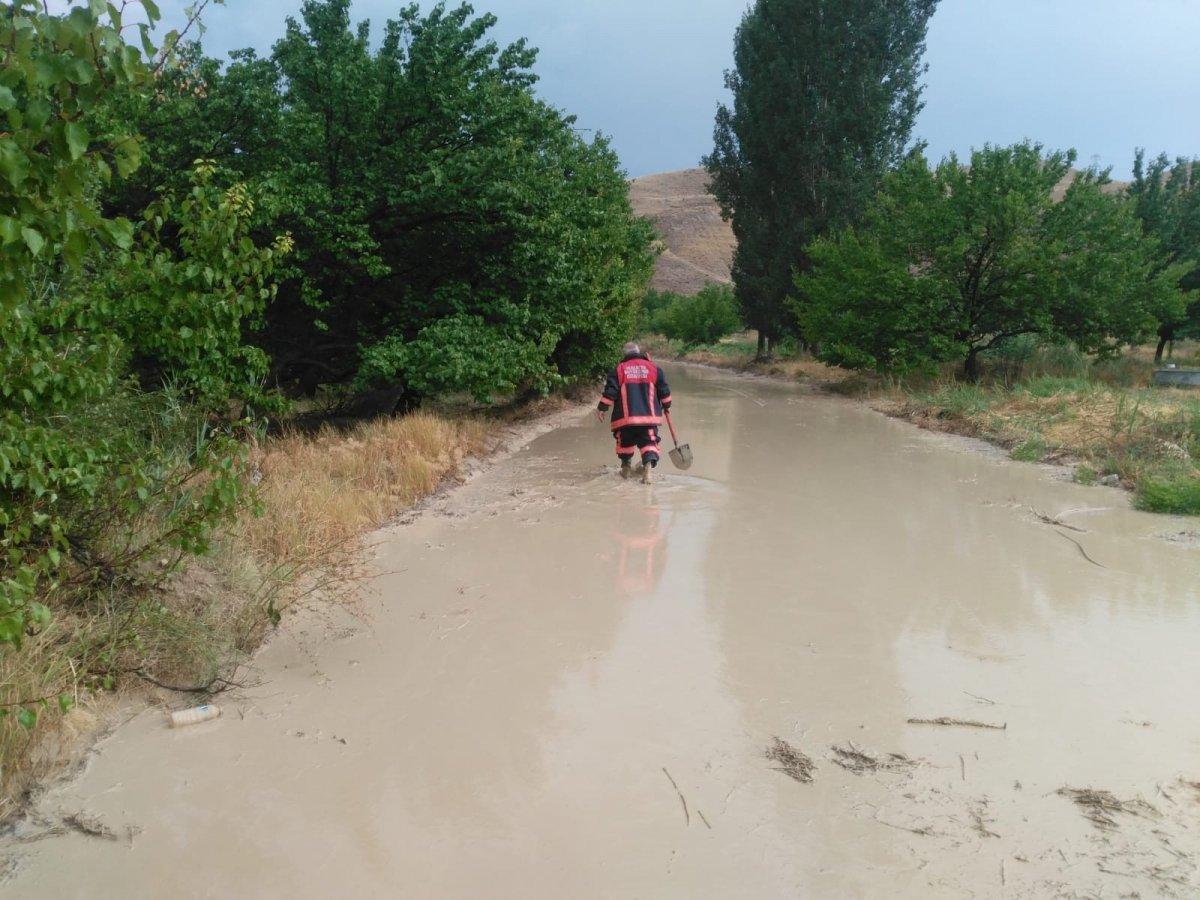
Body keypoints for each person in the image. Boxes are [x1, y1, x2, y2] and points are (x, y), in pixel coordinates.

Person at [596, 342, 672, 484]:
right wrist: (667, 405)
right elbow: (664, 391)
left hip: (625, 419)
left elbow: (611, 392)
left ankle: (625, 469)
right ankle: (647, 472)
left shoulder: (618, 370)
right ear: (640, 353)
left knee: (625, 443)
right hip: (648, 419)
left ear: (625, 354)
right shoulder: (655, 369)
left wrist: (602, 408)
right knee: (649, 442)